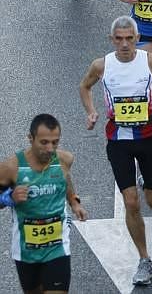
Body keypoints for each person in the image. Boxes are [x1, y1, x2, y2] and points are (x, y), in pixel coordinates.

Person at [79, 17, 152, 289]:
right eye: (119, 39)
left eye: (129, 38)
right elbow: (84, 86)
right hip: (118, 140)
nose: (124, 44)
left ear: (136, 38)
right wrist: (91, 111)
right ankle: (144, 259)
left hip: (149, 137)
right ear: (112, 40)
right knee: (131, 201)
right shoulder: (102, 65)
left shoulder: (151, 62)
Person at [0, 114, 87, 294]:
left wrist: (74, 201)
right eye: (44, 142)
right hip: (26, 250)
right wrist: (9, 198)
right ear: (30, 138)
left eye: (55, 142)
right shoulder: (11, 167)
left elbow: (66, 179)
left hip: (57, 246)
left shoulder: (64, 160)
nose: (50, 149)